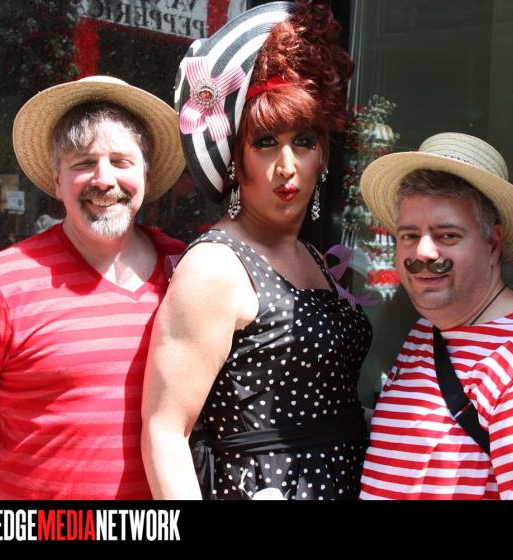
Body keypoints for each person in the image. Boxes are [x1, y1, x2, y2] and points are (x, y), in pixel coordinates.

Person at [141, 0, 373, 500]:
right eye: (266, 143)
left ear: (322, 155)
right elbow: (164, 433)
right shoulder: (215, 267)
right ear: (235, 160)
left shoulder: (312, 257)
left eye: (303, 141)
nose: (287, 165)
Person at [0, 75, 186, 499]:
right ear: (56, 180)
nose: (104, 179)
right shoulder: (1, 282)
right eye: (83, 163)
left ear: (146, 176)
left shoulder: (185, 271)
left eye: (121, 161)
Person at [358, 132, 513, 499]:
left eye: (447, 235)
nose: (423, 252)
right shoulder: (426, 331)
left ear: (492, 244)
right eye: (409, 235)